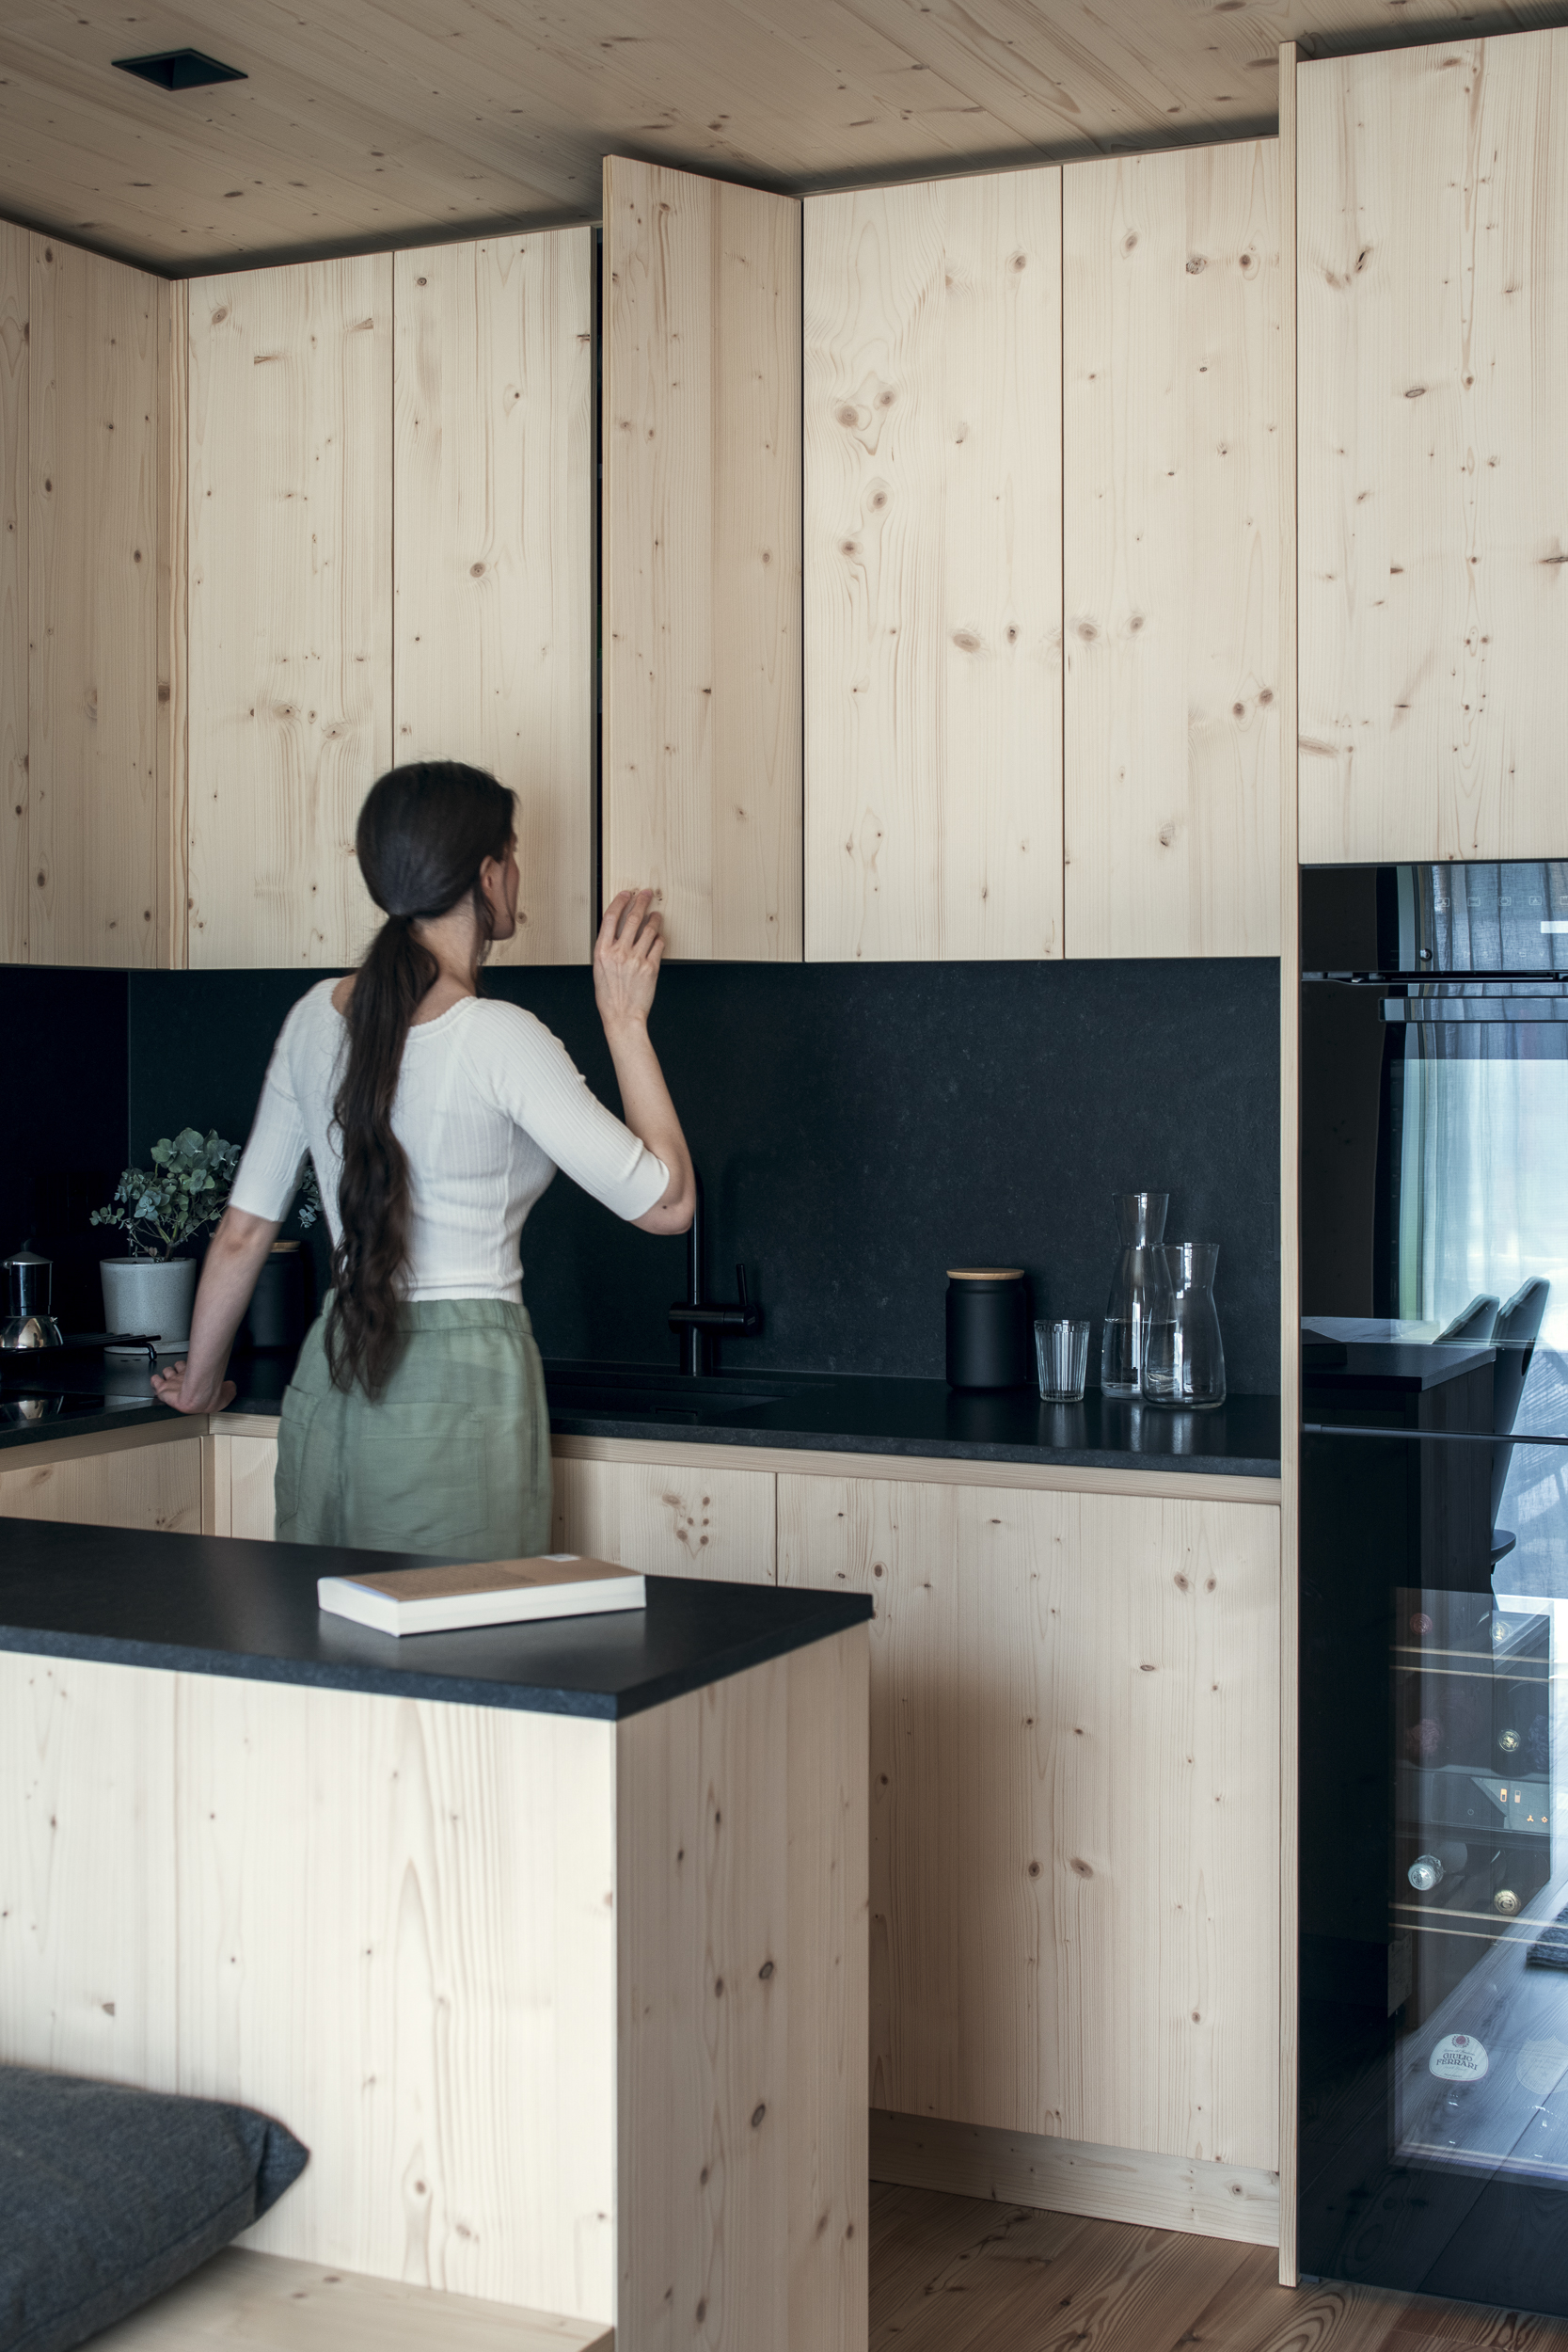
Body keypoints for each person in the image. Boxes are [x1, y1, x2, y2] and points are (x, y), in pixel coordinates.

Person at [152, 759, 694, 1559]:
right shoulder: (498, 1037)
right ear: (488, 874)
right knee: (455, 1631)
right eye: (513, 853)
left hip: (333, 1366)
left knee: (327, 1626)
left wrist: (199, 1384)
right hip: (460, 1388)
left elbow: (241, 1233)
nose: (518, 872)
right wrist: (623, 1018)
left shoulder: (311, 1017)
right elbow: (667, 1206)